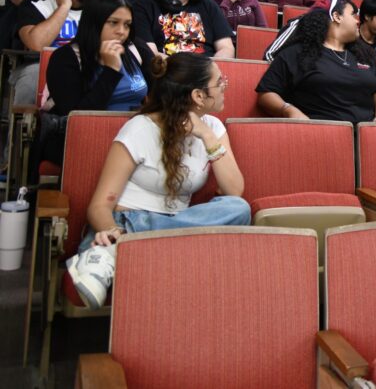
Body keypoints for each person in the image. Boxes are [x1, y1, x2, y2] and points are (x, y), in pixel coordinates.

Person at [66, 52, 250, 309]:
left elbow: (234, 191)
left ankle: (136, 246)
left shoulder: (214, 128)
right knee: (227, 220)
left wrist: (207, 136)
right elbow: (99, 206)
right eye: (219, 82)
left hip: (174, 227)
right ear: (198, 96)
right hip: (124, 224)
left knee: (239, 209)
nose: (224, 87)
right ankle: (108, 253)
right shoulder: (140, 128)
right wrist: (112, 232)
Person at [43, 0, 153, 165]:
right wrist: (110, 70)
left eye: (127, 24)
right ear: (94, 22)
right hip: (88, 141)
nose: (121, 32)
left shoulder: (134, 49)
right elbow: (77, 117)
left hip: (135, 136)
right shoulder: (66, 58)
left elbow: (160, 93)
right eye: (113, 23)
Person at [257, 0, 376, 123]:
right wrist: (288, 110)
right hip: (318, 134)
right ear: (336, 16)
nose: (357, 21)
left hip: (363, 136)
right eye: (352, 15)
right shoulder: (297, 53)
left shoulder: (364, 54)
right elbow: (266, 94)